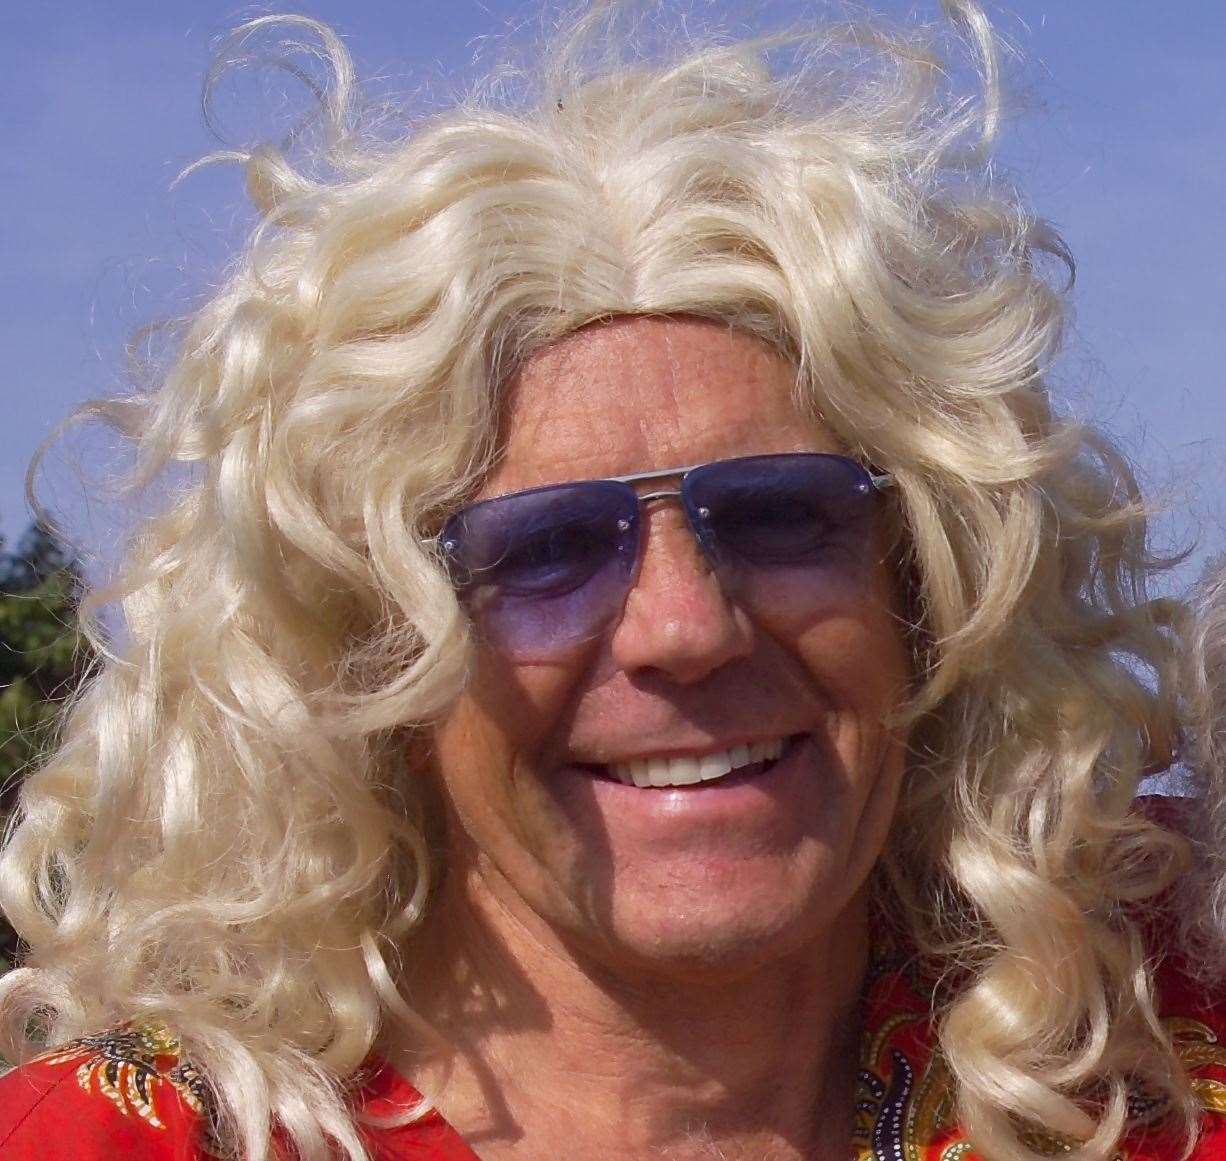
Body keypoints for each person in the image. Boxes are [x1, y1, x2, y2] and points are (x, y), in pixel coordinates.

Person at [0, 5, 1223, 1160]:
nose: (685, 628)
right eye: (542, 553)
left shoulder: (1162, 1044)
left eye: (780, 516)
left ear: (925, 589)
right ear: (368, 658)